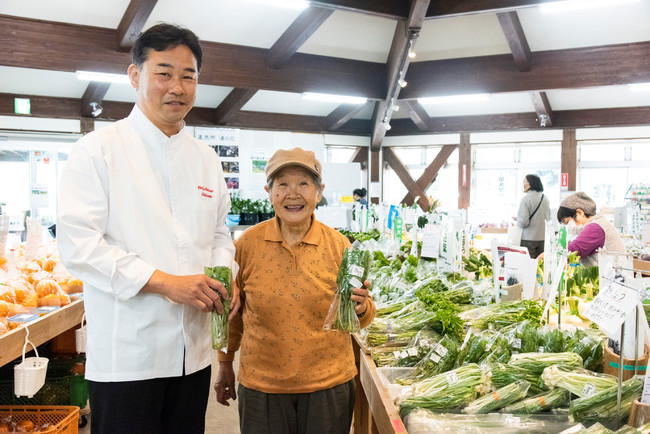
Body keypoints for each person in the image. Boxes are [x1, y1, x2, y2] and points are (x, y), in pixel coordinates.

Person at [57, 24, 238, 434]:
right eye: (164, 72)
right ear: (135, 75)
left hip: (193, 355)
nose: (177, 86)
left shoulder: (206, 159)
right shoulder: (98, 151)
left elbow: (219, 235)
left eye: (188, 76)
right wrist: (164, 283)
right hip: (128, 358)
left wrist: (225, 276)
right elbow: (79, 246)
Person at [214, 147, 376, 434]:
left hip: (329, 386)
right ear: (269, 191)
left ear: (318, 192)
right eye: (283, 184)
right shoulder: (245, 246)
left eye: (303, 183)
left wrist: (362, 308)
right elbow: (232, 315)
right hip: (262, 386)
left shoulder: (339, 246)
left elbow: (359, 316)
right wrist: (225, 363)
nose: (293, 193)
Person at [556, 192, 625, 266]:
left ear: (580, 213)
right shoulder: (599, 223)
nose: (569, 227)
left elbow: (573, 250)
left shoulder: (595, 228)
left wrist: (552, 253)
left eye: (569, 222)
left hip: (611, 275)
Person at [516, 174, 550, 258]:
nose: (523, 185)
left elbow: (523, 222)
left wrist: (518, 220)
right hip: (543, 239)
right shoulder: (545, 198)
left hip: (529, 239)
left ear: (530, 184)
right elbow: (548, 218)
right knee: (541, 264)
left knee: (529, 266)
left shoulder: (526, 199)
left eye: (524, 182)